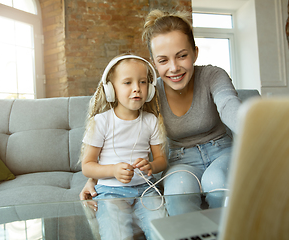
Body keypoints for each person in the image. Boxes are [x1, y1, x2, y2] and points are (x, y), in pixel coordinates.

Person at [81, 9, 242, 216]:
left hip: (222, 151)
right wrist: (94, 179)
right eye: (163, 60)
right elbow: (126, 134)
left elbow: (230, 105)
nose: (174, 68)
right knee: (177, 193)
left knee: (216, 181)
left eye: (182, 56)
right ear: (154, 63)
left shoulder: (213, 75)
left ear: (195, 52)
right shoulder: (150, 92)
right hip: (180, 160)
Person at [80, 54, 168, 239]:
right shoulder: (101, 122)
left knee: (162, 232)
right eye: (127, 83)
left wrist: (151, 166)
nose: (137, 88)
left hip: (145, 189)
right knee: (116, 235)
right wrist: (113, 170)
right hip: (110, 192)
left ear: (150, 89)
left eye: (143, 82)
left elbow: (161, 160)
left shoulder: (151, 121)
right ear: (111, 90)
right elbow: (87, 166)